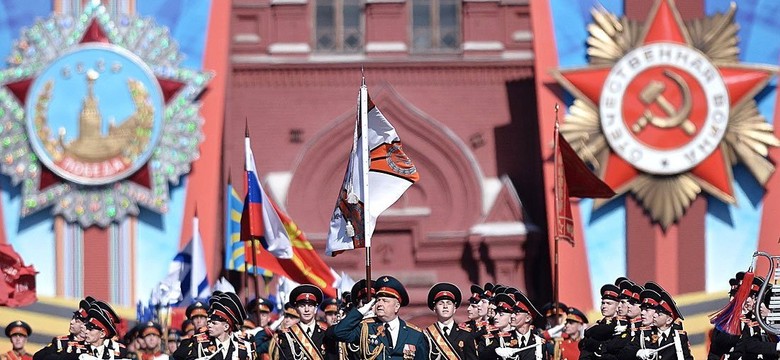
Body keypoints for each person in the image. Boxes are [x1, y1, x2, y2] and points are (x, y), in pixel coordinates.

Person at [332, 275, 429, 360]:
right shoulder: (365, 328)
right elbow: (339, 332)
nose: (379, 304)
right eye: (378, 300)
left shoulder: (414, 334)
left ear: (397, 306)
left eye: (385, 301)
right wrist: (360, 312)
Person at [185, 291, 255, 360]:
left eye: (214, 323)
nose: (209, 325)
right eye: (209, 322)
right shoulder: (200, 344)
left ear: (226, 327)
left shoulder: (243, 347)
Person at [270, 284, 332, 360]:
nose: (306, 310)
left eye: (310, 306)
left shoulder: (325, 334)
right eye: (302, 306)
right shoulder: (287, 335)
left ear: (315, 309)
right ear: (296, 309)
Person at [423, 282, 477, 360]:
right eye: (441, 304)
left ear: (454, 308)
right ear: (435, 308)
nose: (445, 306)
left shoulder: (466, 335)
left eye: (449, 303)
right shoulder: (427, 336)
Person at [579, 284, 620, 360]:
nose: (604, 306)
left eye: (609, 303)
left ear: (618, 306)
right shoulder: (595, 328)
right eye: (603, 303)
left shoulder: (621, 326)